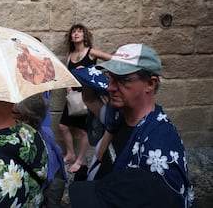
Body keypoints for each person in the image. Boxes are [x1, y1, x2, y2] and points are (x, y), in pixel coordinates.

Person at [69, 43, 194, 207]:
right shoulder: (118, 115)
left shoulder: (159, 147)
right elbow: (90, 100)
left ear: (150, 83)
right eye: (111, 77)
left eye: (122, 80)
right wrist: (84, 77)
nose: (111, 87)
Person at [59, 24, 111, 173]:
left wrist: (90, 71)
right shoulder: (70, 56)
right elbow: (67, 75)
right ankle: (70, 154)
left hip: (89, 96)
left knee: (84, 131)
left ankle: (80, 160)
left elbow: (111, 60)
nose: (76, 34)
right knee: (63, 126)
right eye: (73, 32)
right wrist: (68, 87)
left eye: (79, 31)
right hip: (73, 96)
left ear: (84, 35)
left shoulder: (91, 52)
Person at [14, 93, 68, 207]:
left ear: (26, 118)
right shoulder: (46, 131)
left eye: (14, 113)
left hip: (49, 192)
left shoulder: (27, 144)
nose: (10, 115)